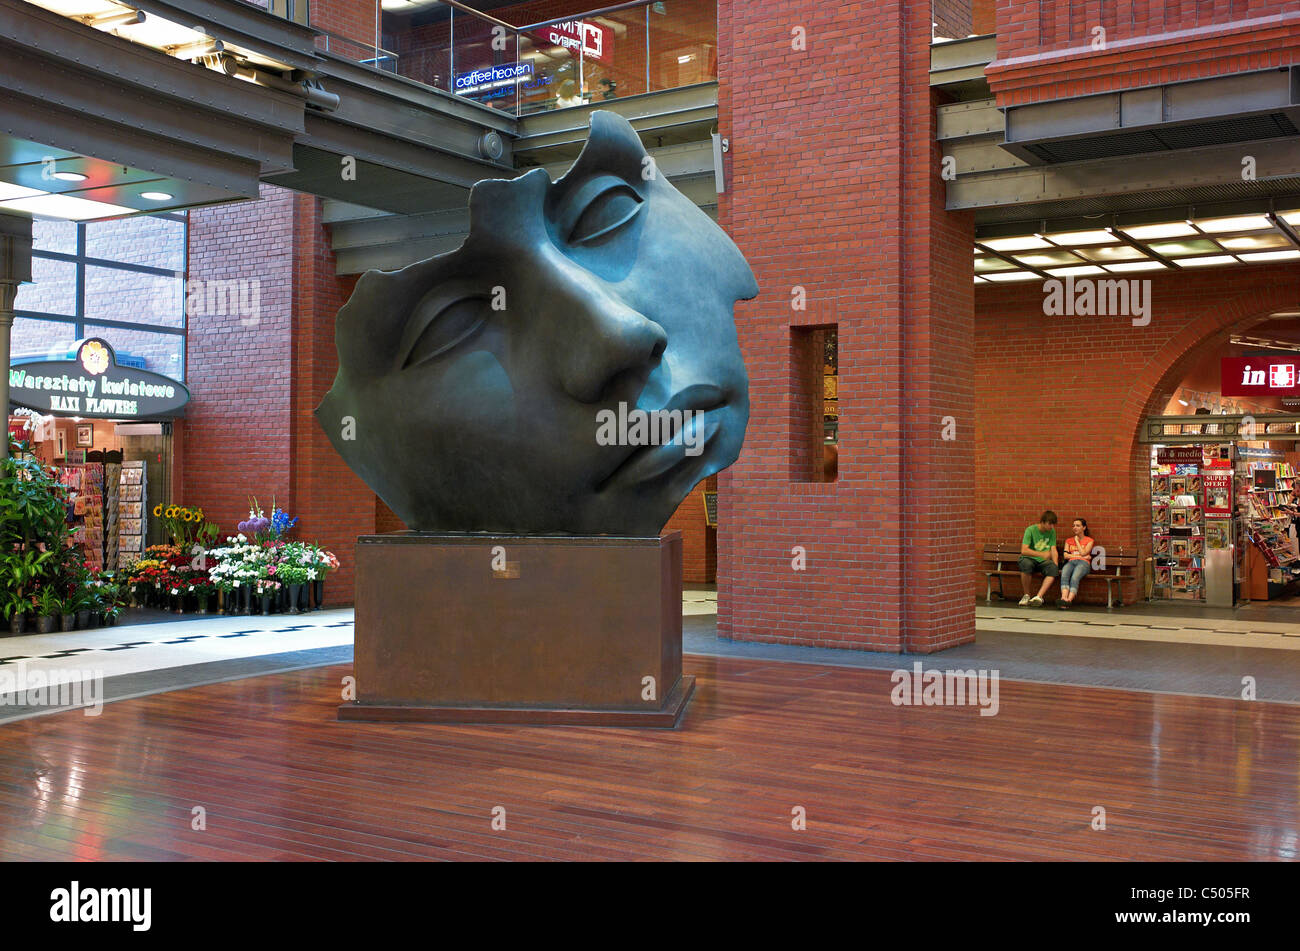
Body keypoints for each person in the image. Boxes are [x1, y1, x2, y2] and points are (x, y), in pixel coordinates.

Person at [1018, 510, 1059, 606]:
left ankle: (1038, 597)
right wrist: (1041, 554)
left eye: (1053, 524)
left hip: (1043, 562)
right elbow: (1024, 550)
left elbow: (1053, 549)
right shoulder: (1030, 530)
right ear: (1043, 522)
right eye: (1050, 524)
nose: (1052, 527)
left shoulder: (1052, 531)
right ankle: (1026, 595)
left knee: (1053, 568)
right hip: (1029, 558)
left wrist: (1055, 563)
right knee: (1026, 564)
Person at [1059, 518, 1094, 608]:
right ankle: (1063, 599)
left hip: (1083, 563)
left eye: (1078, 526)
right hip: (1071, 562)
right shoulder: (1068, 541)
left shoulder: (1089, 540)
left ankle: (1069, 600)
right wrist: (1080, 556)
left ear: (1084, 528)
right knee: (1064, 574)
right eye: (1073, 525)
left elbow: (1083, 553)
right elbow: (1066, 555)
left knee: (1075, 577)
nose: (1075, 527)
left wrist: (1077, 541)